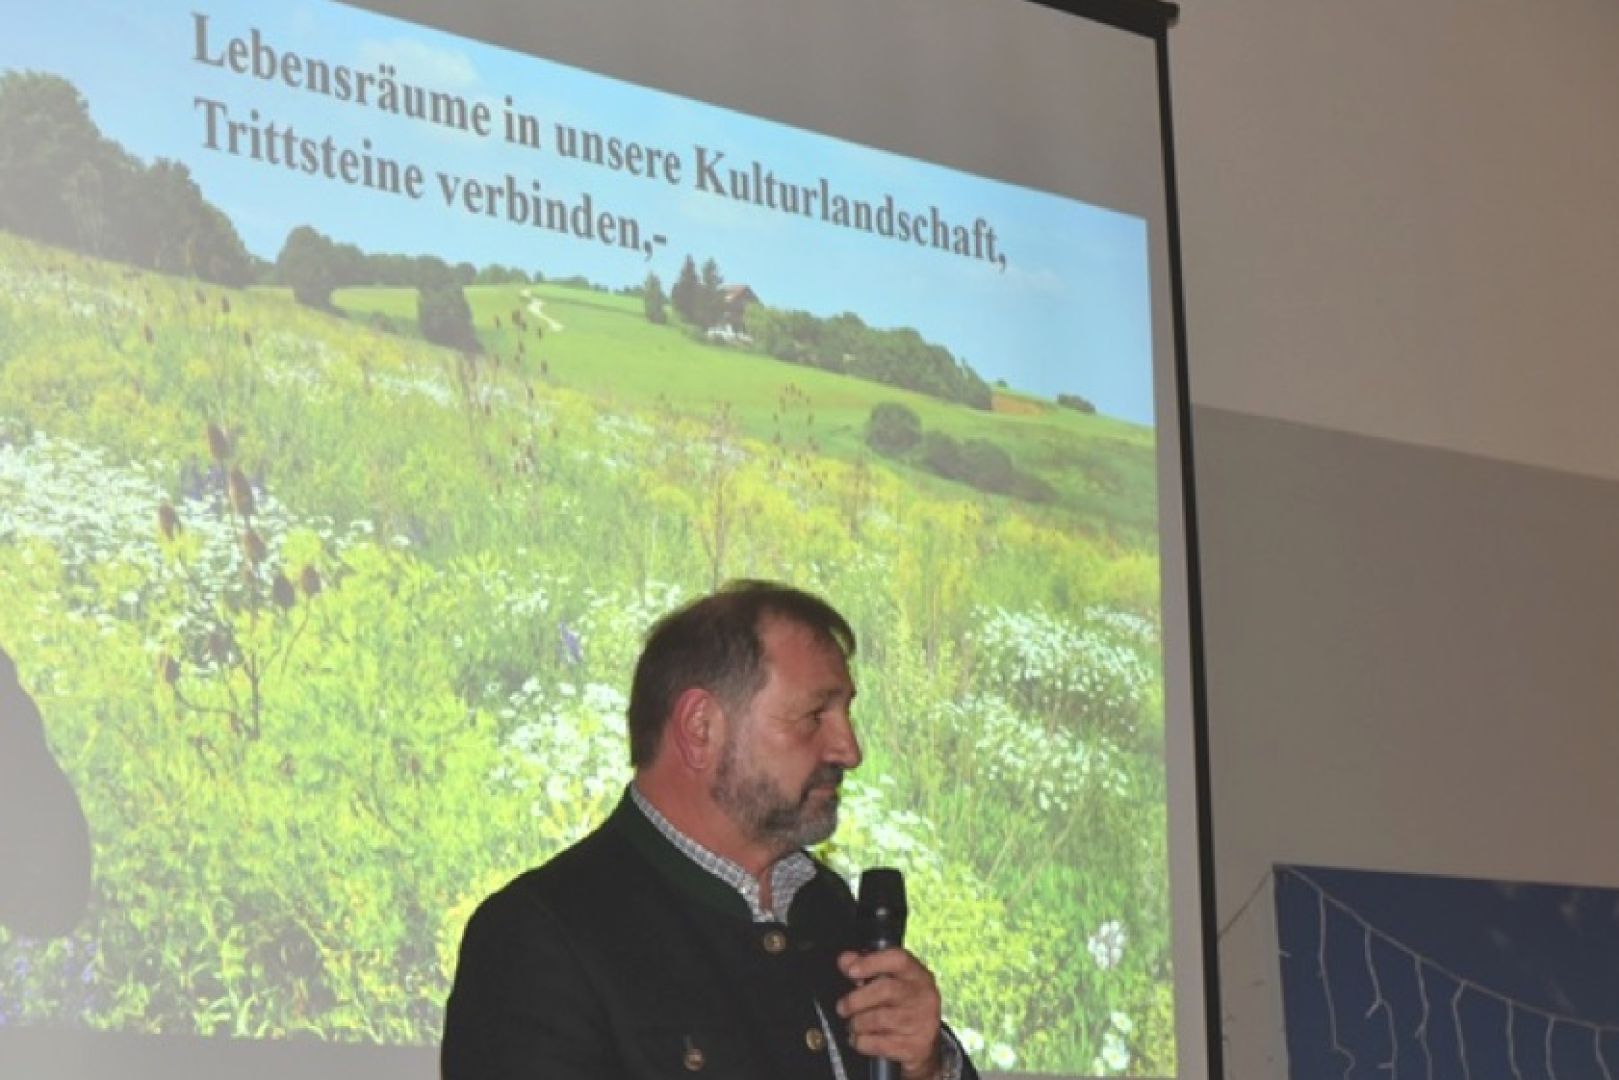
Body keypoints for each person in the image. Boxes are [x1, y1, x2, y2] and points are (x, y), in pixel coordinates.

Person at [442, 581, 976, 1080]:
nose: (850, 750)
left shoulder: (826, 907)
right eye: (815, 715)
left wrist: (927, 1066)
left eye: (845, 714)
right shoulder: (541, 936)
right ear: (700, 728)